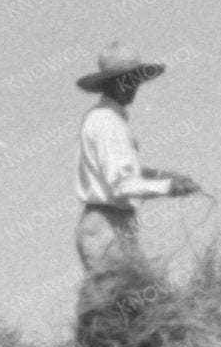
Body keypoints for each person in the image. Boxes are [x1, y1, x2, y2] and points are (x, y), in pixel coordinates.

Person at [74, 44, 202, 287]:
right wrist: (168, 186)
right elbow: (120, 185)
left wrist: (165, 175)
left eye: (134, 80)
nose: (131, 87)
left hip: (119, 225)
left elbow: (124, 172)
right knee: (121, 305)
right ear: (109, 84)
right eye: (124, 81)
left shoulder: (113, 120)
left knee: (139, 298)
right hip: (105, 226)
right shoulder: (105, 123)